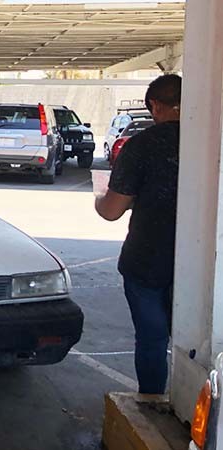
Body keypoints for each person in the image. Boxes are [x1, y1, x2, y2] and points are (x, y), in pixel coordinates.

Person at [95, 74, 181, 394]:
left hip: (147, 260)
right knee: (199, 343)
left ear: (156, 106)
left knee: (152, 340)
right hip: (201, 263)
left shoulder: (142, 145)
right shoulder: (211, 140)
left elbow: (112, 210)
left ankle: (152, 405)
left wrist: (98, 197)